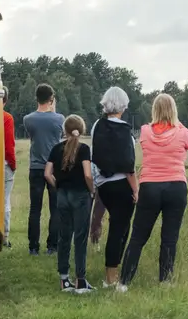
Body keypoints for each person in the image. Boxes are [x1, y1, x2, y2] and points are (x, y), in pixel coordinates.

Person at [118, 93, 188, 291]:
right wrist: (178, 124)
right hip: (176, 187)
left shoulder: (145, 131)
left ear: (154, 110)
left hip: (150, 186)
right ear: (174, 111)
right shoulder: (180, 131)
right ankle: (165, 281)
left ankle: (124, 283)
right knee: (169, 237)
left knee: (138, 237)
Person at [90, 86, 138, 288]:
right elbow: (129, 165)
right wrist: (136, 189)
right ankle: (112, 277)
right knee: (120, 229)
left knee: (117, 228)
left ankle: (113, 273)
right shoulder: (126, 130)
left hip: (104, 184)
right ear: (124, 105)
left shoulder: (96, 126)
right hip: (122, 185)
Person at [44, 114, 95, 294]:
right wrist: (92, 190)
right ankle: (80, 280)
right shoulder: (84, 149)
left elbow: (47, 173)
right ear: (81, 130)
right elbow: (88, 174)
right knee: (80, 237)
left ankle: (64, 280)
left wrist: (57, 185)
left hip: (62, 195)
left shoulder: (56, 148)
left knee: (64, 236)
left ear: (64, 130)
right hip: (80, 195)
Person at [22, 83, 64, 255]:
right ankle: (52, 246)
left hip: (36, 167)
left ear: (36, 98)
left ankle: (33, 247)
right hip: (54, 168)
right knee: (55, 208)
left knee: (35, 208)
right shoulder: (59, 119)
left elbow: (32, 136)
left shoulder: (28, 119)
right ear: (51, 99)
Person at [2, 86, 16, 249]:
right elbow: (8, 145)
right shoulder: (6, 118)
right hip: (3, 164)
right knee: (5, 201)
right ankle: (5, 236)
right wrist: (13, 164)